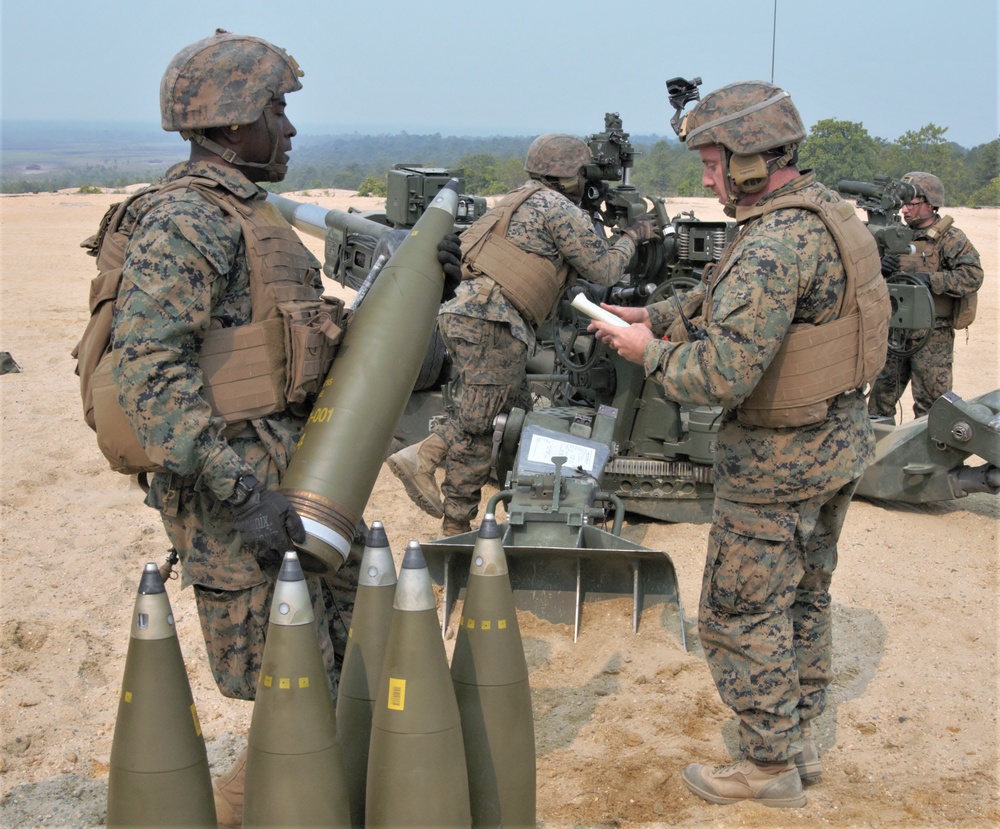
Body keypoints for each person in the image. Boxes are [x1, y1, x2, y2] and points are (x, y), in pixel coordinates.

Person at [588, 81, 890, 808]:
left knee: (738, 612)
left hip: (776, 462)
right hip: (834, 446)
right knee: (803, 598)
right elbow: (732, 303)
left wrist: (644, 350)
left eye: (715, 162)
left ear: (753, 163)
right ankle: (800, 739)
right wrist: (655, 313)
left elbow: (721, 372)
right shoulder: (822, 216)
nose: (707, 177)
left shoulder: (773, 242)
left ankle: (766, 765)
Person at [110, 31, 362, 826]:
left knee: (333, 658)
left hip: (285, 477)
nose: (287, 129)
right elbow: (150, 368)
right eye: (275, 110)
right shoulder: (189, 219)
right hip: (235, 490)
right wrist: (242, 491)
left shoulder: (244, 213)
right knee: (292, 674)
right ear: (228, 126)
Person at [387, 133, 660, 536]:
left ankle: (435, 467)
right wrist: (633, 237)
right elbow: (604, 271)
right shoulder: (558, 208)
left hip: (466, 313)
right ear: (572, 177)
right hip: (494, 322)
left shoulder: (516, 198)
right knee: (480, 427)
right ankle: (450, 514)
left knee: (500, 410)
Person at [868, 171, 983, 420]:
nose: (905, 211)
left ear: (930, 204)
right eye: (903, 204)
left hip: (932, 334)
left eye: (911, 204)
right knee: (879, 401)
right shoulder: (892, 235)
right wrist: (879, 266)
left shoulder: (950, 238)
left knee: (933, 407)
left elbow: (973, 276)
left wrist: (931, 280)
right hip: (894, 332)